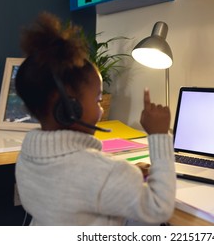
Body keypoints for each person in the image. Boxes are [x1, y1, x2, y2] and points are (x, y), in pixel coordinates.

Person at [14, 12, 176, 226]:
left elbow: (79, 184)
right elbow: (159, 208)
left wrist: (124, 177)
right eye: (98, 100)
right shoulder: (106, 174)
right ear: (69, 107)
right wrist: (159, 136)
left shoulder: (26, 157)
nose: (101, 109)